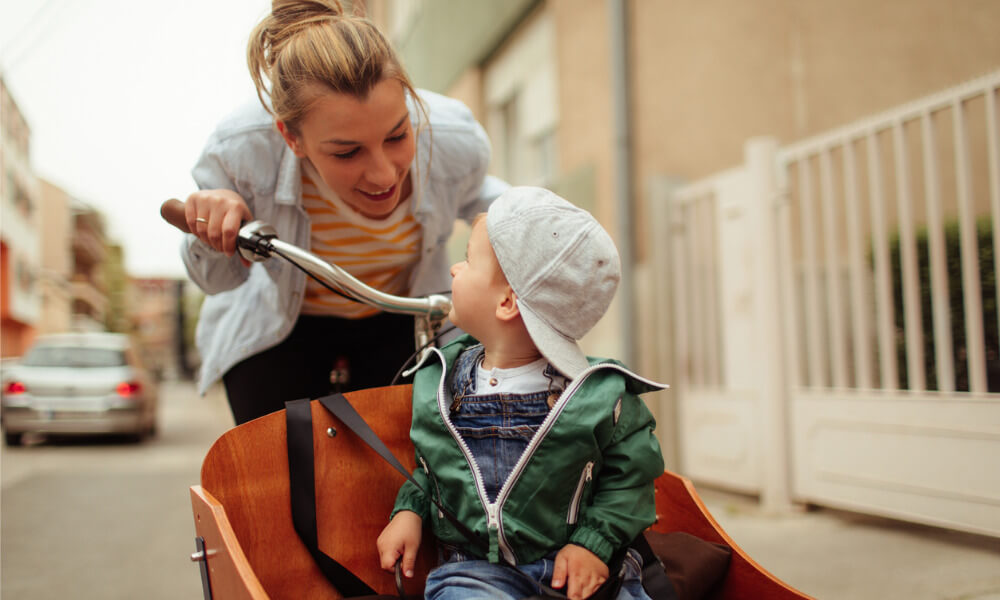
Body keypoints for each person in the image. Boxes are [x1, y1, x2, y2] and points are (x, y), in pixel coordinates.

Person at [172, 0, 507, 424]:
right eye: (347, 152)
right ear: (291, 139)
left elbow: (488, 200)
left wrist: (533, 219)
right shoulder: (239, 152)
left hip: (399, 314)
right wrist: (210, 230)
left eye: (397, 135)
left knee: (412, 463)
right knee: (277, 470)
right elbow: (215, 281)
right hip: (282, 327)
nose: (384, 174)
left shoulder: (453, 137)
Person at [376, 187, 666, 600]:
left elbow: (632, 478)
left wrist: (594, 545)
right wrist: (409, 511)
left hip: (575, 569)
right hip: (476, 572)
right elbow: (435, 468)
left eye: (469, 260)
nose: (455, 269)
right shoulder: (443, 380)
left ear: (508, 302)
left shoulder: (597, 397)